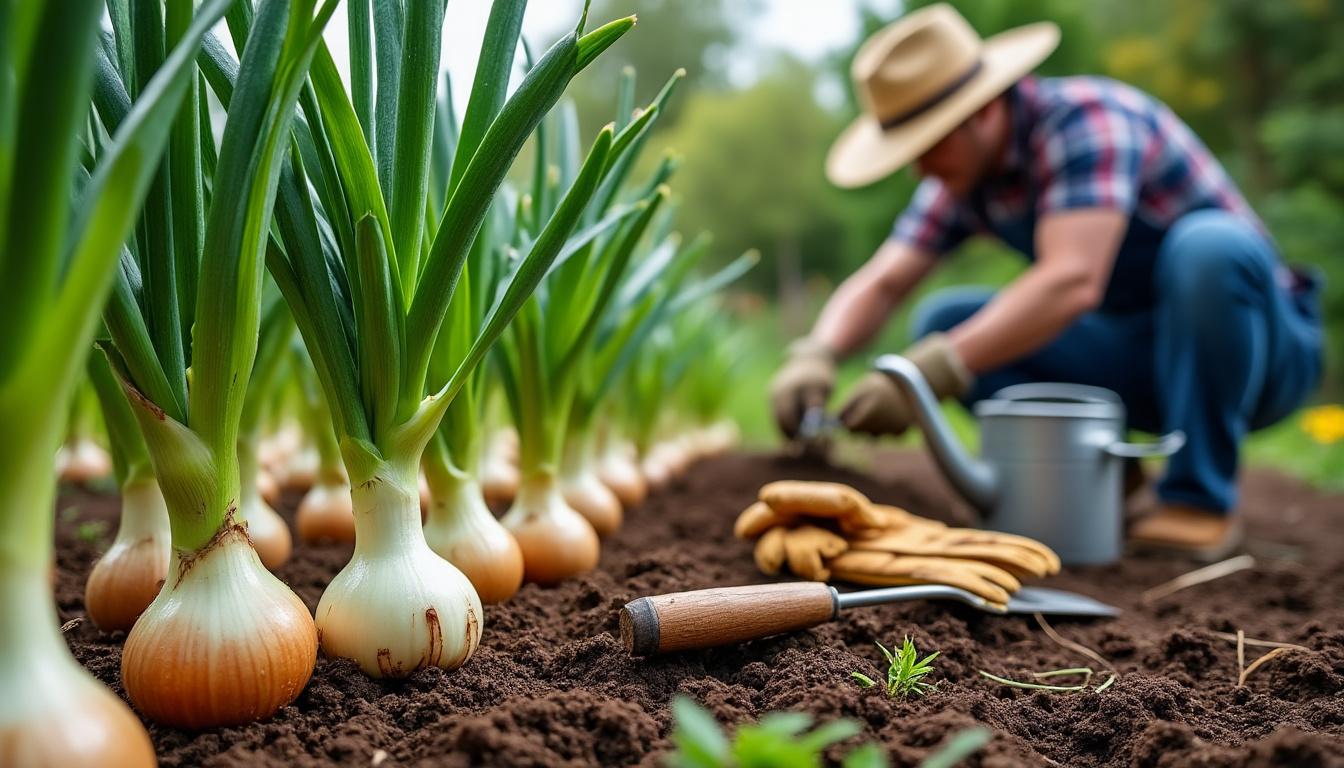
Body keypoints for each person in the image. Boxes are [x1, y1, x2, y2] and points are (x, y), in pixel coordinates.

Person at [771, 3, 1323, 560]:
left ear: (983, 109)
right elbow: (884, 281)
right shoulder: (963, 177)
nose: (921, 168)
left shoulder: (1089, 121)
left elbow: (1071, 280)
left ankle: (1197, 501)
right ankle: (1105, 485)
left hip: (1262, 355)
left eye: (930, 144)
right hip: (1143, 360)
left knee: (1210, 247)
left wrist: (923, 375)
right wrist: (816, 353)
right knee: (946, 321)